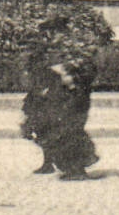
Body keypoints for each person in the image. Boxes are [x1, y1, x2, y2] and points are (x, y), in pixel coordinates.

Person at [20, 14, 99, 181]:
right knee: (48, 127)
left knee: (69, 130)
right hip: (54, 94)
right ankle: (54, 164)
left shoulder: (75, 48)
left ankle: (77, 170)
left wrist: (68, 77)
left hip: (73, 96)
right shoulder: (49, 48)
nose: (50, 35)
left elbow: (86, 70)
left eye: (53, 31)